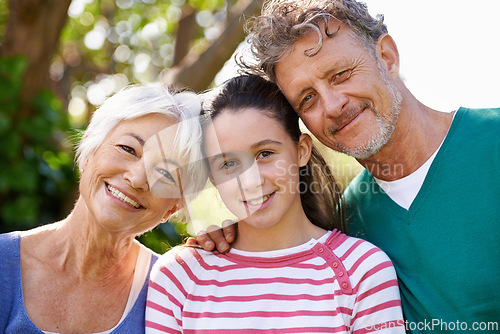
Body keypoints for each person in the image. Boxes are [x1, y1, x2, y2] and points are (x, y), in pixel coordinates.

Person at [195, 0, 500, 332]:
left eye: (340, 74)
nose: (333, 105)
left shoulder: (491, 142)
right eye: (307, 98)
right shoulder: (348, 225)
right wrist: (229, 240)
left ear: (386, 56)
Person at [145, 75, 405, 333]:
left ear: (301, 150)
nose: (251, 181)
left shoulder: (363, 270)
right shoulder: (178, 276)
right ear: (212, 176)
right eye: (229, 164)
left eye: (265, 154)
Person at [0, 85, 208, 333]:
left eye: (165, 173)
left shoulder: (175, 291)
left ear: (174, 207)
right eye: (128, 149)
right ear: (90, 149)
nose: (138, 178)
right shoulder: (4, 262)